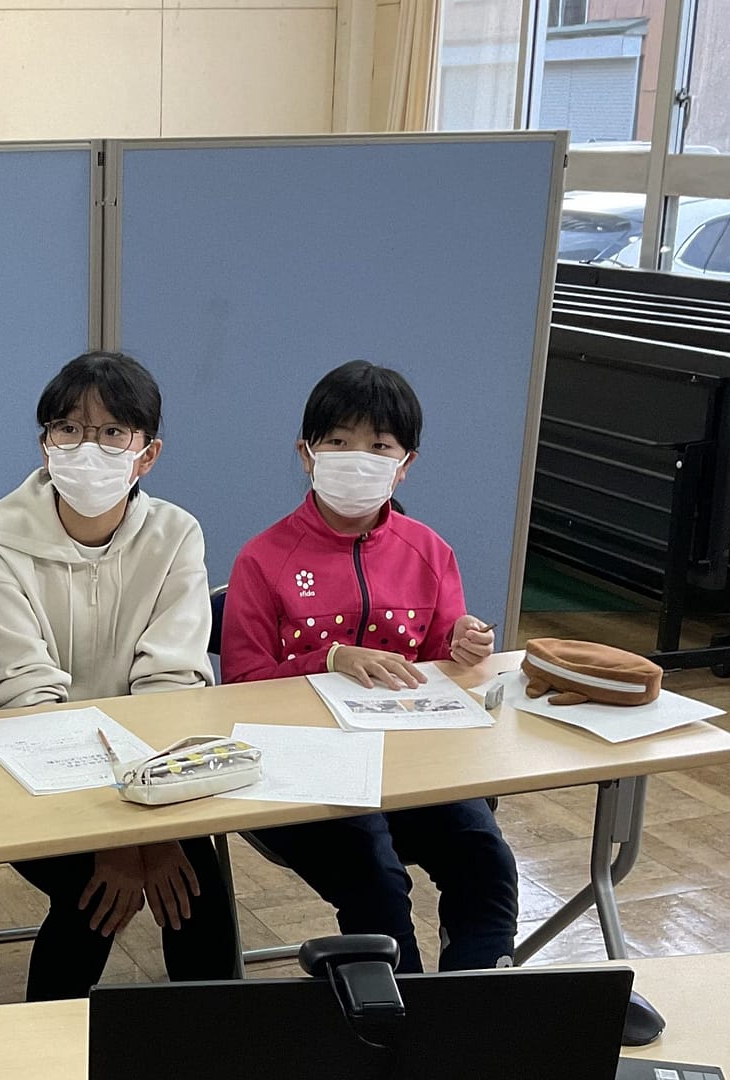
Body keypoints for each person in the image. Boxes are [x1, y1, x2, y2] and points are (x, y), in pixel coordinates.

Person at [220, 361, 519, 972]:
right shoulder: (263, 559)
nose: (357, 458)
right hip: (307, 769)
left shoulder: (429, 551)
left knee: (486, 857)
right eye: (337, 441)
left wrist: (464, 646)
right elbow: (240, 685)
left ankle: (478, 999)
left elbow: (446, 666)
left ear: (405, 463)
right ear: (306, 454)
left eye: (379, 446)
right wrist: (330, 659)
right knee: (375, 874)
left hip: (414, 766)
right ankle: (398, 1007)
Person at [0, 351, 239, 1000]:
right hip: (35, 776)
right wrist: (116, 840)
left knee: (196, 889)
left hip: (156, 776)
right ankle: (48, 1042)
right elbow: (26, 695)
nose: (88, 448)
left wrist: (151, 829)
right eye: (69, 429)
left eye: (112, 432)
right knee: (94, 893)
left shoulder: (176, 536)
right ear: (46, 445)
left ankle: (218, 1038)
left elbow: (172, 687)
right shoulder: (0, 539)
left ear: (147, 454)